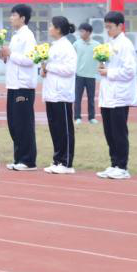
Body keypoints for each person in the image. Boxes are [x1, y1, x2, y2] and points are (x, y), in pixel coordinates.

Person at [96, 11, 137, 179]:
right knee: (109, 131)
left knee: (119, 132)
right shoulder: (108, 43)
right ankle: (113, 164)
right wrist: (102, 66)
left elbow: (130, 71)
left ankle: (122, 166)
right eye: (106, 27)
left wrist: (108, 72)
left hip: (119, 95)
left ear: (120, 26)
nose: (108, 30)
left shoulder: (125, 45)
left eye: (110, 27)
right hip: (107, 94)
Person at [0, 4, 37, 171]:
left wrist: (11, 54)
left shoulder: (28, 36)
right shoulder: (15, 36)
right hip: (13, 84)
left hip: (23, 86)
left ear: (22, 18)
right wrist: (5, 56)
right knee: (14, 123)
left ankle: (28, 160)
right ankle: (19, 158)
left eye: (14, 15)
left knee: (24, 123)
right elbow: (14, 59)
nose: (11, 18)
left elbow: (30, 60)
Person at [40, 16, 76, 174]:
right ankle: (57, 160)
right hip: (51, 93)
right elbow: (49, 67)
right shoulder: (53, 46)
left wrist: (49, 67)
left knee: (64, 129)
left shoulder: (67, 47)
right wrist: (43, 70)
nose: (49, 28)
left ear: (58, 29)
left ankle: (66, 163)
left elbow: (70, 69)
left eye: (51, 26)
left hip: (62, 94)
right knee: (55, 129)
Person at [72, 23, 98, 124]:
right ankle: (77, 117)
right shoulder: (76, 44)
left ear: (88, 32)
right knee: (77, 98)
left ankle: (91, 118)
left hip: (91, 75)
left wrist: (102, 65)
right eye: (80, 31)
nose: (80, 33)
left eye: (82, 31)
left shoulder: (97, 45)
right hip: (79, 75)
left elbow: (102, 59)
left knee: (91, 98)